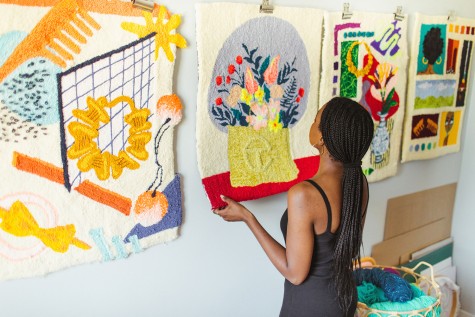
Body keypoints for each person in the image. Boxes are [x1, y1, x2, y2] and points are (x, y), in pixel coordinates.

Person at [213, 96, 374, 316]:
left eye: (316, 119)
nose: (312, 124)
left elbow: (295, 273)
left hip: (310, 306)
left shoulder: (304, 194)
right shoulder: (359, 183)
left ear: (322, 139)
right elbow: (350, 248)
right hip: (344, 300)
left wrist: (248, 218)